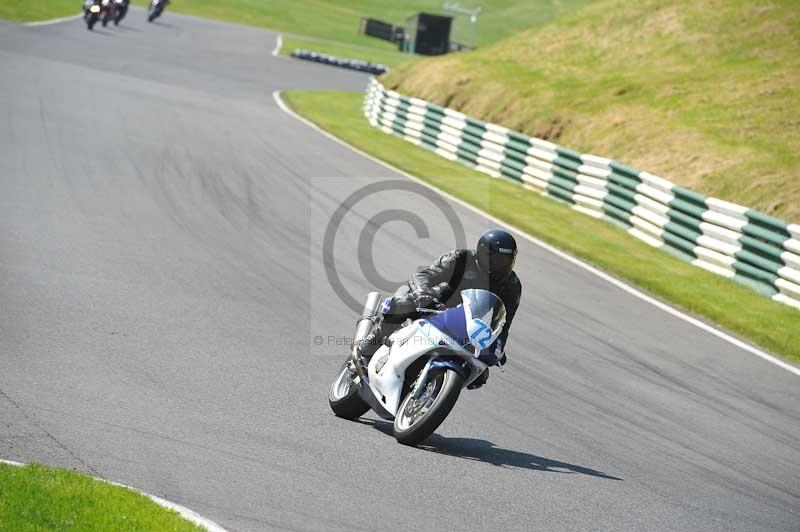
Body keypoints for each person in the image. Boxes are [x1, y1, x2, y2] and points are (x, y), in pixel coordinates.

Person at [357, 229, 522, 389]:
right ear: (482, 253)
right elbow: (425, 274)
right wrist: (423, 291)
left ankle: (433, 389)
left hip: (469, 326)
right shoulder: (462, 258)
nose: (500, 265)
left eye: (506, 260)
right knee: (400, 304)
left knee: (480, 375)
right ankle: (369, 346)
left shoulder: (512, 285)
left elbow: (503, 322)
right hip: (435, 305)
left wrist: (498, 346)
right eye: (496, 260)